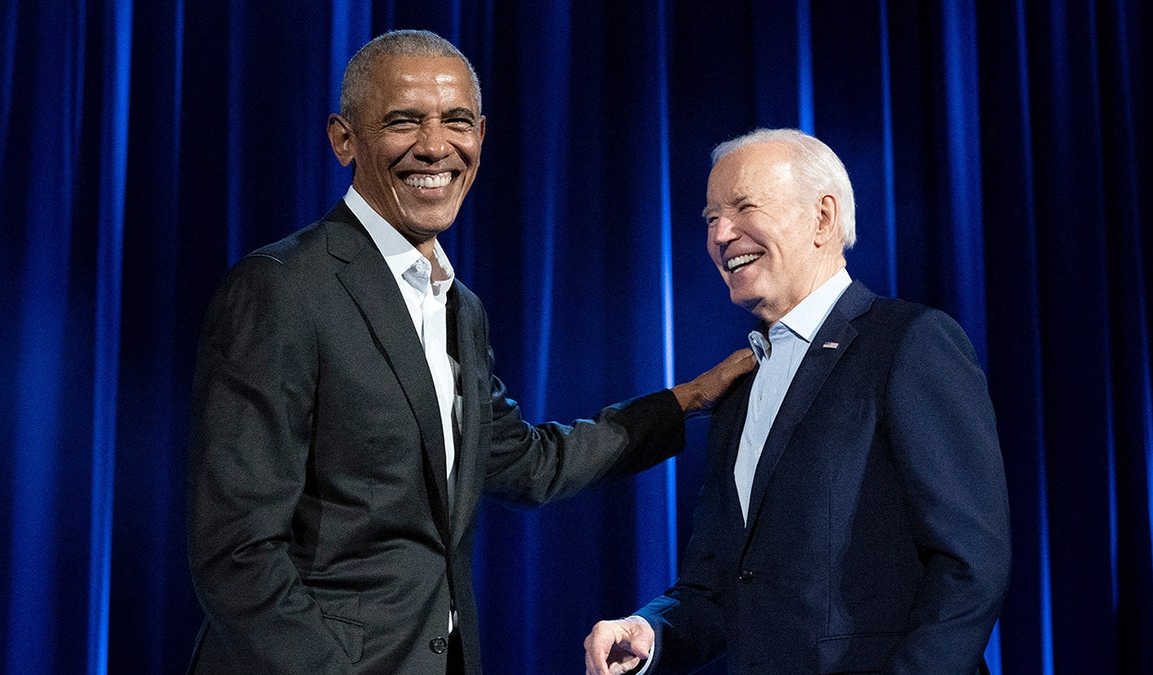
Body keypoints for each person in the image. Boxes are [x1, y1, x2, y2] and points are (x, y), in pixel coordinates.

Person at [185, 29, 753, 675]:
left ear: (479, 134)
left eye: (456, 121)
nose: (435, 145)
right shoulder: (283, 287)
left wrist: (685, 402)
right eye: (403, 121)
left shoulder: (460, 307)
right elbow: (237, 549)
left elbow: (525, 463)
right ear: (344, 138)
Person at [583, 128, 1011, 675]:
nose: (721, 233)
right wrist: (650, 633)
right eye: (711, 218)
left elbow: (972, 564)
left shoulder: (908, 343)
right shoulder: (739, 384)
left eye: (743, 207)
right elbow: (720, 583)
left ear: (823, 218)